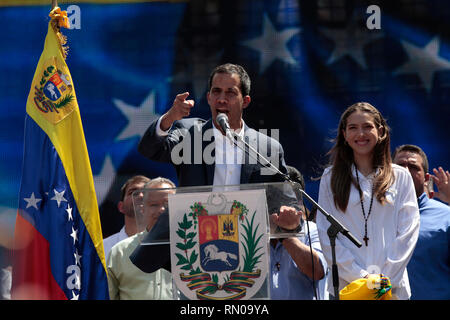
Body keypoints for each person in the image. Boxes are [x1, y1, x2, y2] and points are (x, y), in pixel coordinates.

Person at [316, 102, 420, 300]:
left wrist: (383, 281)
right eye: (353, 128)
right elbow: (325, 233)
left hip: (393, 289)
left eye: (367, 127)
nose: (360, 134)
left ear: (380, 131)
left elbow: (408, 232)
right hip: (348, 289)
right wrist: (363, 279)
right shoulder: (330, 178)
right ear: (344, 135)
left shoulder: (401, 176)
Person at [138, 63, 289, 187]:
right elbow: (149, 149)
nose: (222, 99)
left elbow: (281, 199)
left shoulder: (268, 148)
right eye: (216, 91)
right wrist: (170, 117)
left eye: (230, 93)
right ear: (209, 98)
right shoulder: (188, 134)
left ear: (245, 101)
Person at [393, 144, 450, 299]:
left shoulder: (446, 217)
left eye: (413, 167)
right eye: (399, 166)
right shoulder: (374, 215)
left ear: (426, 178)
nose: (405, 171)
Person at [106, 177, 175, 300]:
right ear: (143, 209)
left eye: (167, 204)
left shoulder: (193, 247)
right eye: (154, 205)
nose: (162, 210)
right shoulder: (120, 251)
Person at [269, 165, 327, 299]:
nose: (278, 204)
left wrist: (285, 233)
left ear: (299, 201)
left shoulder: (312, 229)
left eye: (284, 197)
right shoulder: (254, 232)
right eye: (273, 196)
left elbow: (317, 271)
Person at [103, 175, 151, 259]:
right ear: (121, 207)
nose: (140, 195)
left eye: (146, 192)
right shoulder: (102, 248)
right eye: (132, 192)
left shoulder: (170, 245)